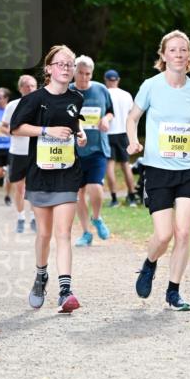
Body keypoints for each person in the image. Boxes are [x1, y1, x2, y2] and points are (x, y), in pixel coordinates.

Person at [126, 29, 190, 311]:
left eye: (183, 50)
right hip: (157, 169)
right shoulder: (151, 86)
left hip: (189, 169)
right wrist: (133, 140)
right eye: (173, 50)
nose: (179, 54)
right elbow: (133, 118)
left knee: (183, 232)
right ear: (163, 55)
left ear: (189, 55)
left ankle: (173, 292)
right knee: (164, 234)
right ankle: (150, 262)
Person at [10, 45, 87, 313]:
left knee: (63, 232)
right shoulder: (33, 99)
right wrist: (47, 130)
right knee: (44, 233)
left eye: (70, 64)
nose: (66, 68)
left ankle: (66, 290)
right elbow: (17, 128)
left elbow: (75, 122)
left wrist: (80, 134)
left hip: (67, 173)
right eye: (61, 63)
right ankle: (41, 275)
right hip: (40, 173)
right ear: (49, 68)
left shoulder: (77, 98)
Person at [70, 56, 113, 246]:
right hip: (73, 150)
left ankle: (97, 218)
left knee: (95, 187)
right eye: (80, 73)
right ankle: (86, 233)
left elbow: (110, 111)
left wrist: (106, 120)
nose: (84, 78)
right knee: (78, 193)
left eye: (88, 74)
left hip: (97, 147)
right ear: (73, 71)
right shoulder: (67, 91)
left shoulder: (101, 90)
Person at [1, 74, 38, 233]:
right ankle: (21, 217)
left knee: (35, 187)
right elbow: (3, 127)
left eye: (32, 85)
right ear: (20, 88)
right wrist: (13, 132)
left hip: (36, 151)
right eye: (26, 85)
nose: (29, 88)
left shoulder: (42, 105)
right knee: (20, 187)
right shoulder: (12, 105)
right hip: (17, 152)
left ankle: (36, 218)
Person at [103, 68, 138, 207]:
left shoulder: (104, 93)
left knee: (109, 167)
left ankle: (114, 198)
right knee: (125, 165)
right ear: (117, 80)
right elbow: (132, 116)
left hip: (107, 133)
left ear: (106, 80)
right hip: (123, 133)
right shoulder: (126, 95)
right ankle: (132, 197)